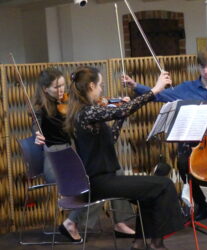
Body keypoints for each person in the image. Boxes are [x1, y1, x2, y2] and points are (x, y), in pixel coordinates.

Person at [124, 48, 207, 220]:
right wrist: (135, 86)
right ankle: (201, 206)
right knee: (182, 162)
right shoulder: (186, 88)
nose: (206, 71)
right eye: (203, 67)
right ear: (198, 67)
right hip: (197, 146)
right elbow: (159, 96)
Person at [64, 66, 184, 250]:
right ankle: (157, 245)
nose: (102, 89)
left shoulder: (87, 112)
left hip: (104, 179)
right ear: (90, 86)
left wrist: (120, 116)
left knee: (150, 192)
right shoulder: (86, 112)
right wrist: (155, 90)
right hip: (98, 182)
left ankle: (139, 243)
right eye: (100, 85)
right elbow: (123, 111)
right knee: (164, 185)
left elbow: (110, 139)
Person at [32, 68, 136, 241]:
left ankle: (120, 222)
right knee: (101, 180)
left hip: (75, 156)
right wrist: (37, 133)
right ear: (45, 89)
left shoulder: (71, 105)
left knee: (114, 173)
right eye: (56, 87)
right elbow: (35, 125)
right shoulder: (40, 110)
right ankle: (71, 222)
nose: (61, 91)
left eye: (63, 86)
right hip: (59, 160)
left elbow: (92, 111)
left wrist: (117, 104)